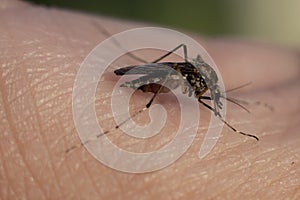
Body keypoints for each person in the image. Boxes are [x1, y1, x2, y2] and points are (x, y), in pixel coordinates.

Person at [1, 1, 299, 199]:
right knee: (179, 71)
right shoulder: (199, 83)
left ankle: (136, 66)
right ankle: (128, 113)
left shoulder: (202, 79)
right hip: (150, 80)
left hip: (160, 76)